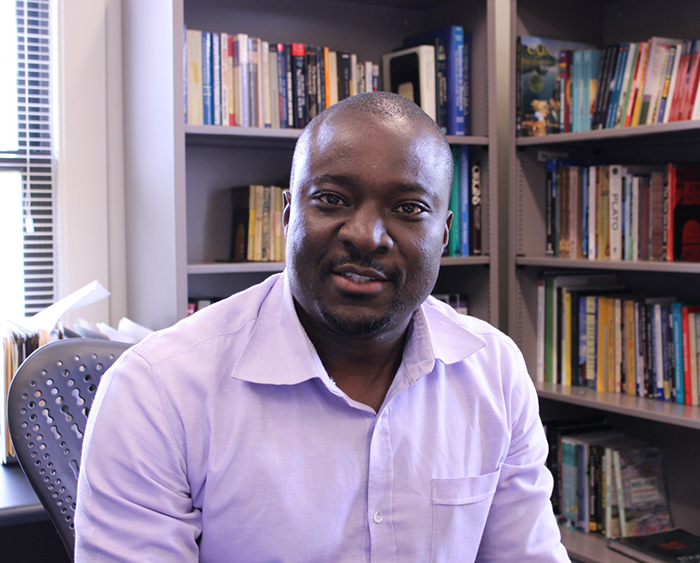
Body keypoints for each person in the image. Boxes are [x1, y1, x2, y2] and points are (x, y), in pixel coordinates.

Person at [75, 91, 570, 563]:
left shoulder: (494, 372)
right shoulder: (158, 389)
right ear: (288, 214)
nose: (366, 235)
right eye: (333, 199)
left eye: (408, 209)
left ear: (443, 235)